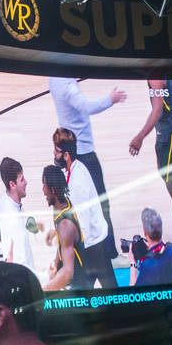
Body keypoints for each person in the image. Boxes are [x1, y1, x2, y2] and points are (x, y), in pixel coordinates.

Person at [128, 78, 172, 255]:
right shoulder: (166, 68)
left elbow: (158, 109)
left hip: (169, 133)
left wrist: (139, 138)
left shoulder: (155, 76)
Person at [45, 77, 126, 231]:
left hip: (68, 149)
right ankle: (109, 251)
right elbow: (86, 106)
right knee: (101, 203)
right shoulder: (68, 86)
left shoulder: (54, 79)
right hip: (83, 153)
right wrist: (110, 99)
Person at [52, 128, 116, 289]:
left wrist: (67, 258)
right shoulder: (76, 167)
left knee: (83, 293)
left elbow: (83, 227)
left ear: (66, 155)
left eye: (57, 151)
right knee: (111, 291)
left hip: (91, 247)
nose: (54, 154)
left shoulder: (76, 184)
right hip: (96, 242)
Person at [41, 166, 88, 291]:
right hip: (74, 277)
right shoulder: (61, 205)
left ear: (53, 190)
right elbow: (65, 243)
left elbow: (67, 273)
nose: (43, 190)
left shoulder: (65, 226)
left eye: (45, 186)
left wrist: (43, 291)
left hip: (76, 286)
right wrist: (56, 262)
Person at [0, 157, 38, 272]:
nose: (26, 182)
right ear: (12, 184)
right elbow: (22, 262)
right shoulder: (15, 221)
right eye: (22, 179)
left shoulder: (4, 200)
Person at [130, 208, 172, 287]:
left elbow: (134, 293)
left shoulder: (147, 266)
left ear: (144, 231)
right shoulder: (171, 249)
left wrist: (133, 263)